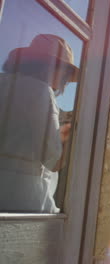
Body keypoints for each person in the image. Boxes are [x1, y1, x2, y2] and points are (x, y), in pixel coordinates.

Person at [0, 34, 78, 213]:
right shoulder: (41, 91)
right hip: (24, 205)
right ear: (55, 67)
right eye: (66, 71)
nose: (65, 80)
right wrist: (68, 134)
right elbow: (53, 160)